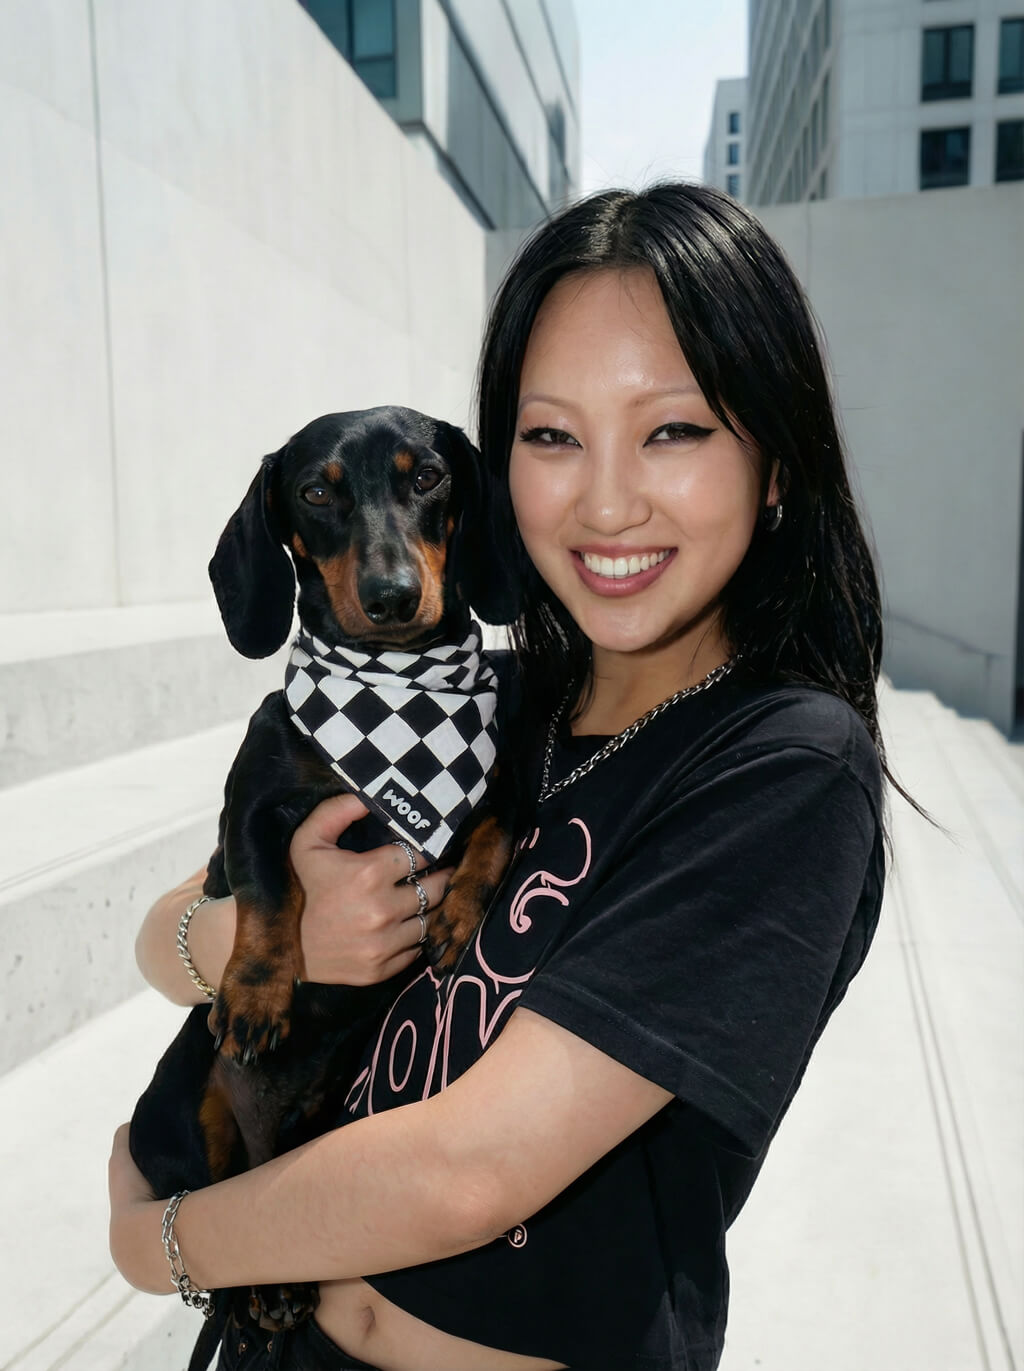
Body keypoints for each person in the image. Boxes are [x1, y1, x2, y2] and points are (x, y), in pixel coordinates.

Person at [109, 182, 890, 1371]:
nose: (606, 499)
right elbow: (170, 929)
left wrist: (159, 1243)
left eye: (672, 430)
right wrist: (258, 942)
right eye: (551, 436)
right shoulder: (482, 700)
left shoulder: (781, 771)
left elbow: (468, 1172)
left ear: (774, 463)